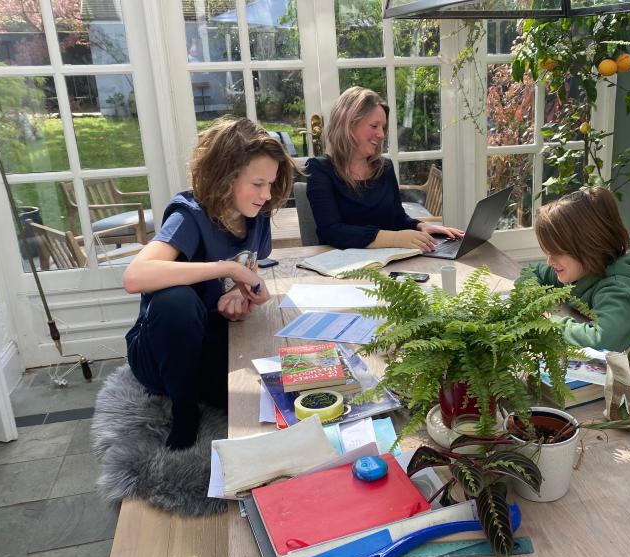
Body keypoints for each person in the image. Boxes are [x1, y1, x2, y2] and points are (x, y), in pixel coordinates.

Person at [123, 117, 297, 450]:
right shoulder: (189, 216)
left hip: (207, 341)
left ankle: (198, 391)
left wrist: (237, 293)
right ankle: (183, 412)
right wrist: (226, 269)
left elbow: (247, 268)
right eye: (258, 183)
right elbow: (134, 276)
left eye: (272, 184)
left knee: (269, 398)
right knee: (176, 301)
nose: (267, 194)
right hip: (159, 355)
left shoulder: (255, 215)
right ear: (225, 177)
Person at [306, 86, 462, 251]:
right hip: (346, 271)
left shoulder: (384, 168)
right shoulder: (319, 170)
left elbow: (397, 218)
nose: (381, 134)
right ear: (348, 125)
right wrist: (395, 238)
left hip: (390, 264)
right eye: (374, 126)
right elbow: (331, 231)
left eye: (383, 127)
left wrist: (420, 226)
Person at [520, 186, 630, 351]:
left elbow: (599, 340)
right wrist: (532, 302)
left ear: (589, 247)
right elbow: (532, 273)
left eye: (556, 252)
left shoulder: (620, 290)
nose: (549, 261)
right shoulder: (579, 270)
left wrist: (546, 321)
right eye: (548, 252)